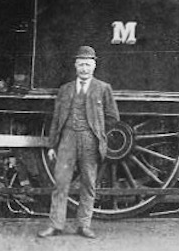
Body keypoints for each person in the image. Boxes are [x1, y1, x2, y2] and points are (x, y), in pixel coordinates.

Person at [37, 45, 119, 240]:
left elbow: (113, 117)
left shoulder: (103, 88)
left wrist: (99, 133)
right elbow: (56, 119)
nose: (84, 68)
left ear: (94, 66)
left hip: (90, 141)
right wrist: (52, 145)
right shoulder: (65, 90)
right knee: (60, 183)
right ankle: (56, 225)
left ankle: (84, 225)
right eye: (81, 64)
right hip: (67, 140)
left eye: (88, 65)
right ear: (75, 66)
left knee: (89, 183)